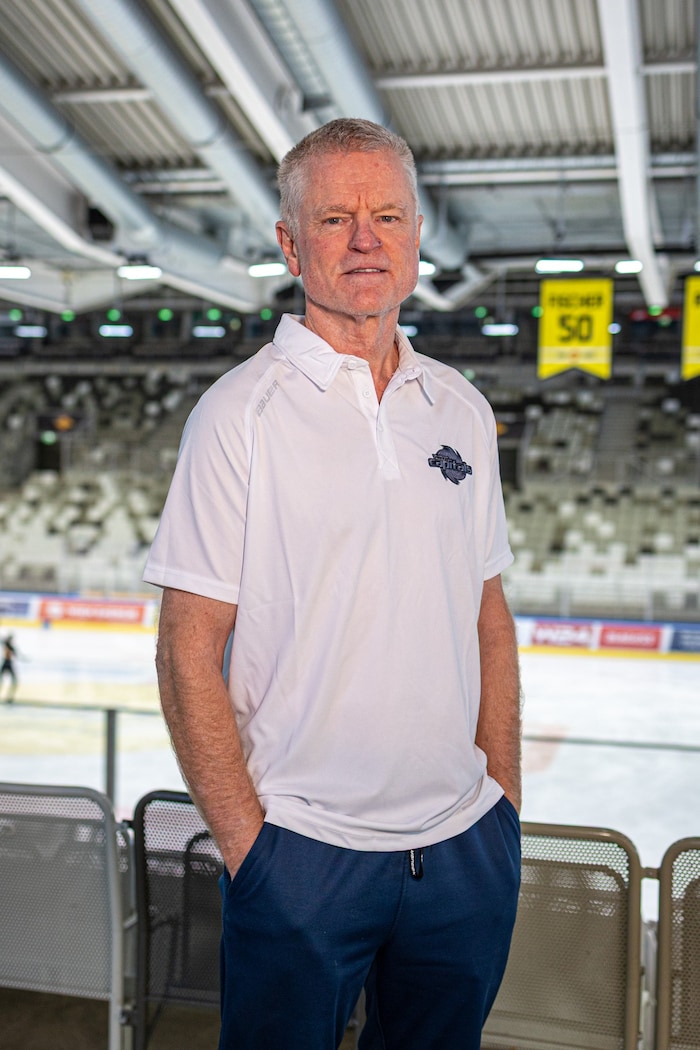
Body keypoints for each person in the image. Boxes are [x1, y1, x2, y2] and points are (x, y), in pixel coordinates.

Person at [144, 117, 522, 1050]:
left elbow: (489, 619)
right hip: (303, 858)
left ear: (418, 233)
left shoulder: (460, 410)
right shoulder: (240, 416)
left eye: (387, 216)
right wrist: (253, 852)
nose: (366, 241)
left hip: (464, 850)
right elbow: (187, 647)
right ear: (289, 242)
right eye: (336, 219)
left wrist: (502, 806)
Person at [1, 634, 18, 703]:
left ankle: (10, 696)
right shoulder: (8, 646)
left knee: (13, 681)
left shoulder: (8, 645)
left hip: (6, 663)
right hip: (7, 663)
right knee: (14, 681)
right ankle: (10, 697)